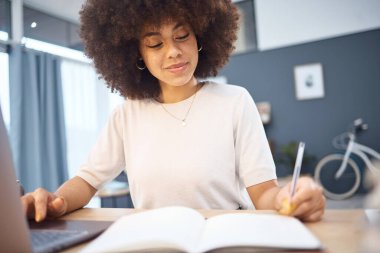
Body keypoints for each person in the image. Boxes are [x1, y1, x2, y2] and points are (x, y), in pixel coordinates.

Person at [21, 0, 325, 223]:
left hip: (225, 238)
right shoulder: (127, 115)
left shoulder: (235, 101)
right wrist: (54, 201)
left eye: (182, 36)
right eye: (154, 43)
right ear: (136, 53)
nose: (173, 51)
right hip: (155, 241)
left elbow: (264, 195)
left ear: (201, 37)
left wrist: (288, 198)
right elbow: (86, 182)